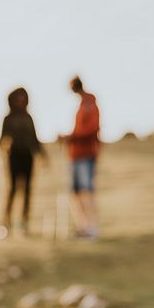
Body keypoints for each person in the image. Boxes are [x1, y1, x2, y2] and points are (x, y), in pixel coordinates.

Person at [0, 87, 46, 238]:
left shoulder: (28, 117)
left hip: (28, 156)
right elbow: (3, 138)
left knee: (27, 191)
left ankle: (24, 224)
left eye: (23, 97)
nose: (20, 100)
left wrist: (43, 155)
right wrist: (0, 147)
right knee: (12, 190)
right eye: (18, 97)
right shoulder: (8, 118)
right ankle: (6, 223)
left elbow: (35, 139)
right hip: (14, 156)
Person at [60, 76, 101, 238]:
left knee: (86, 191)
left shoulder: (89, 103)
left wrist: (71, 137)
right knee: (75, 192)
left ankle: (91, 227)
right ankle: (82, 227)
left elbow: (91, 129)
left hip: (86, 154)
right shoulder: (81, 105)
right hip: (75, 154)